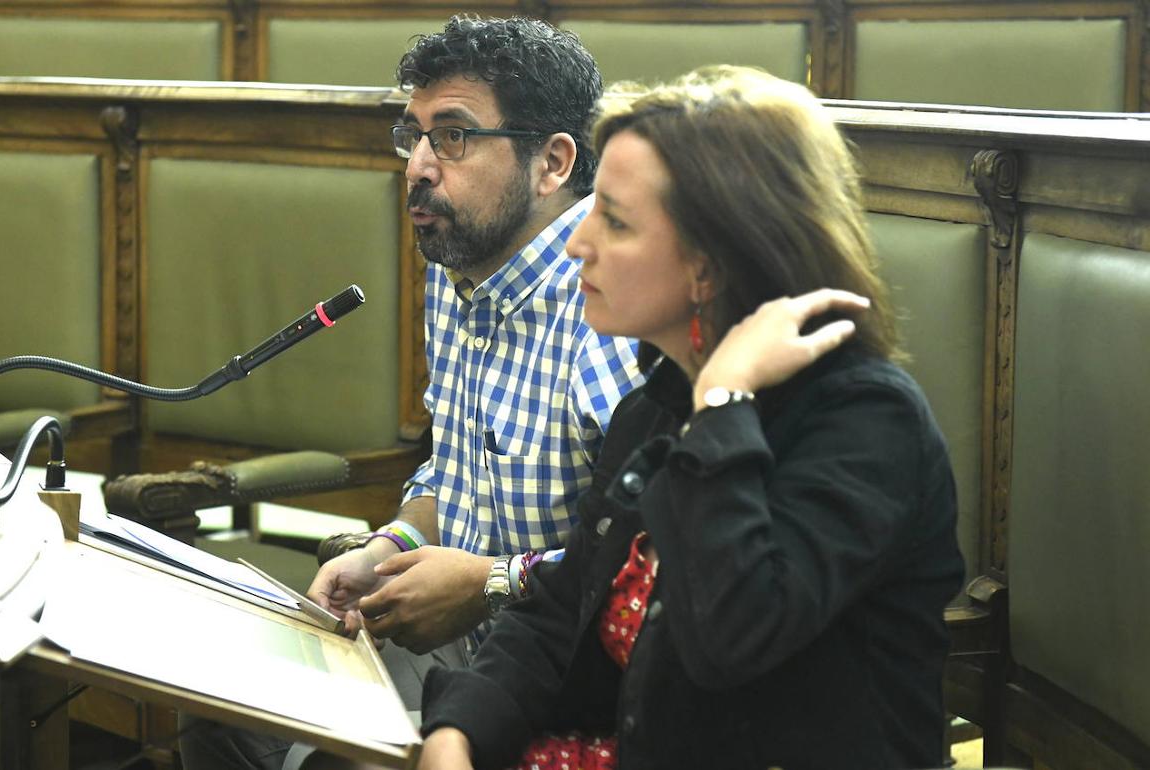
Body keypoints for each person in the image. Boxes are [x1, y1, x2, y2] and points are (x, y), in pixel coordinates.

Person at [417, 65, 966, 770]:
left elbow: (731, 636)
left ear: (711, 259)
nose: (579, 243)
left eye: (613, 219)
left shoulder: (866, 420)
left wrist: (725, 402)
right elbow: (560, 613)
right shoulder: (656, 406)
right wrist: (455, 734)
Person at [179, 15, 642, 770]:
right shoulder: (460, 263)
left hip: (571, 680)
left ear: (554, 161)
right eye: (413, 134)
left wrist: (487, 584)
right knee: (214, 703)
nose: (420, 165)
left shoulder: (613, 303)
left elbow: (643, 571)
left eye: (453, 136)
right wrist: (390, 547)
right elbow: (450, 471)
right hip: (467, 649)